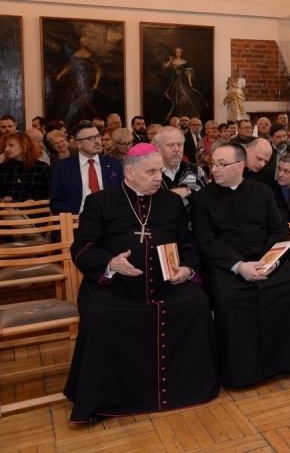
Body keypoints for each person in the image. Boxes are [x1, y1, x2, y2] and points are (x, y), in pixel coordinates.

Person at [64, 143, 218, 423]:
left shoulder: (171, 202)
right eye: (151, 172)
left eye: (160, 170)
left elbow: (189, 242)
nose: (158, 177)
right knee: (100, 314)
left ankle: (188, 388)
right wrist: (111, 263)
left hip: (165, 284)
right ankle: (106, 396)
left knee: (197, 302)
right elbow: (82, 247)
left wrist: (186, 267)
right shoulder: (100, 202)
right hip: (117, 288)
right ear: (130, 173)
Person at [189, 143, 290, 388]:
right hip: (227, 266)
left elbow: (279, 229)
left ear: (239, 166)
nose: (214, 170)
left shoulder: (262, 191)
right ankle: (243, 372)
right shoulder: (202, 199)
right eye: (213, 164)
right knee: (229, 298)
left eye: (221, 164)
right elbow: (205, 241)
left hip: (267, 260)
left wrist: (269, 262)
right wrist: (239, 266)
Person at [50, 121, 124, 214]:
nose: (97, 141)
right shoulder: (63, 168)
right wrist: (72, 219)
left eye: (98, 136)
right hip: (77, 221)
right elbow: (57, 201)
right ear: (78, 144)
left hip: (109, 220)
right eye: (91, 138)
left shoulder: (113, 163)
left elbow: (123, 194)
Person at [51, 35, 102, 130]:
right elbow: (69, 66)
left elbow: (98, 70)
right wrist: (60, 75)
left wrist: (96, 84)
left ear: (89, 43)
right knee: (72, 102)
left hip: (87, 83)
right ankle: (70, 125)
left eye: (85, 42)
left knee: (87, 104)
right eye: (81, 42)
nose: (83, 44)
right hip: (75, 83)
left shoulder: (92, 56)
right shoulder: (76, 54)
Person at [154, 126, 207, 204]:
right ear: (158, 148)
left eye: (179, 145)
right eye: (170, 145)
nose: (176, 149)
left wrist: (188, 191)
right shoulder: (151, 174)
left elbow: (207, 199)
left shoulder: (196, 171)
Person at [0, 132, 51, 201]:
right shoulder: (2, 168)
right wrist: (2, 199)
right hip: (8, 210)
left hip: (37, 210)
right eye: (5, 146)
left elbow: (51, 194)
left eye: (11, 145)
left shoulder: (42, 168)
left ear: (23, 145)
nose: (6, 149)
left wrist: (35, 201)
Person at [162, 47, 209, 121]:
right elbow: (165, 67)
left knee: (184, 97)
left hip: (182, 82)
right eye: (176, 52)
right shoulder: (172, 61)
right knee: (176, 99)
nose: (177, 54)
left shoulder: (184, 62)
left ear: (181, 53)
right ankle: (177, 117)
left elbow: (188, 73)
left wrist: (190, 82)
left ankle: (185, 116)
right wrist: (170, 60)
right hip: (174, 82)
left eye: (179, 52)